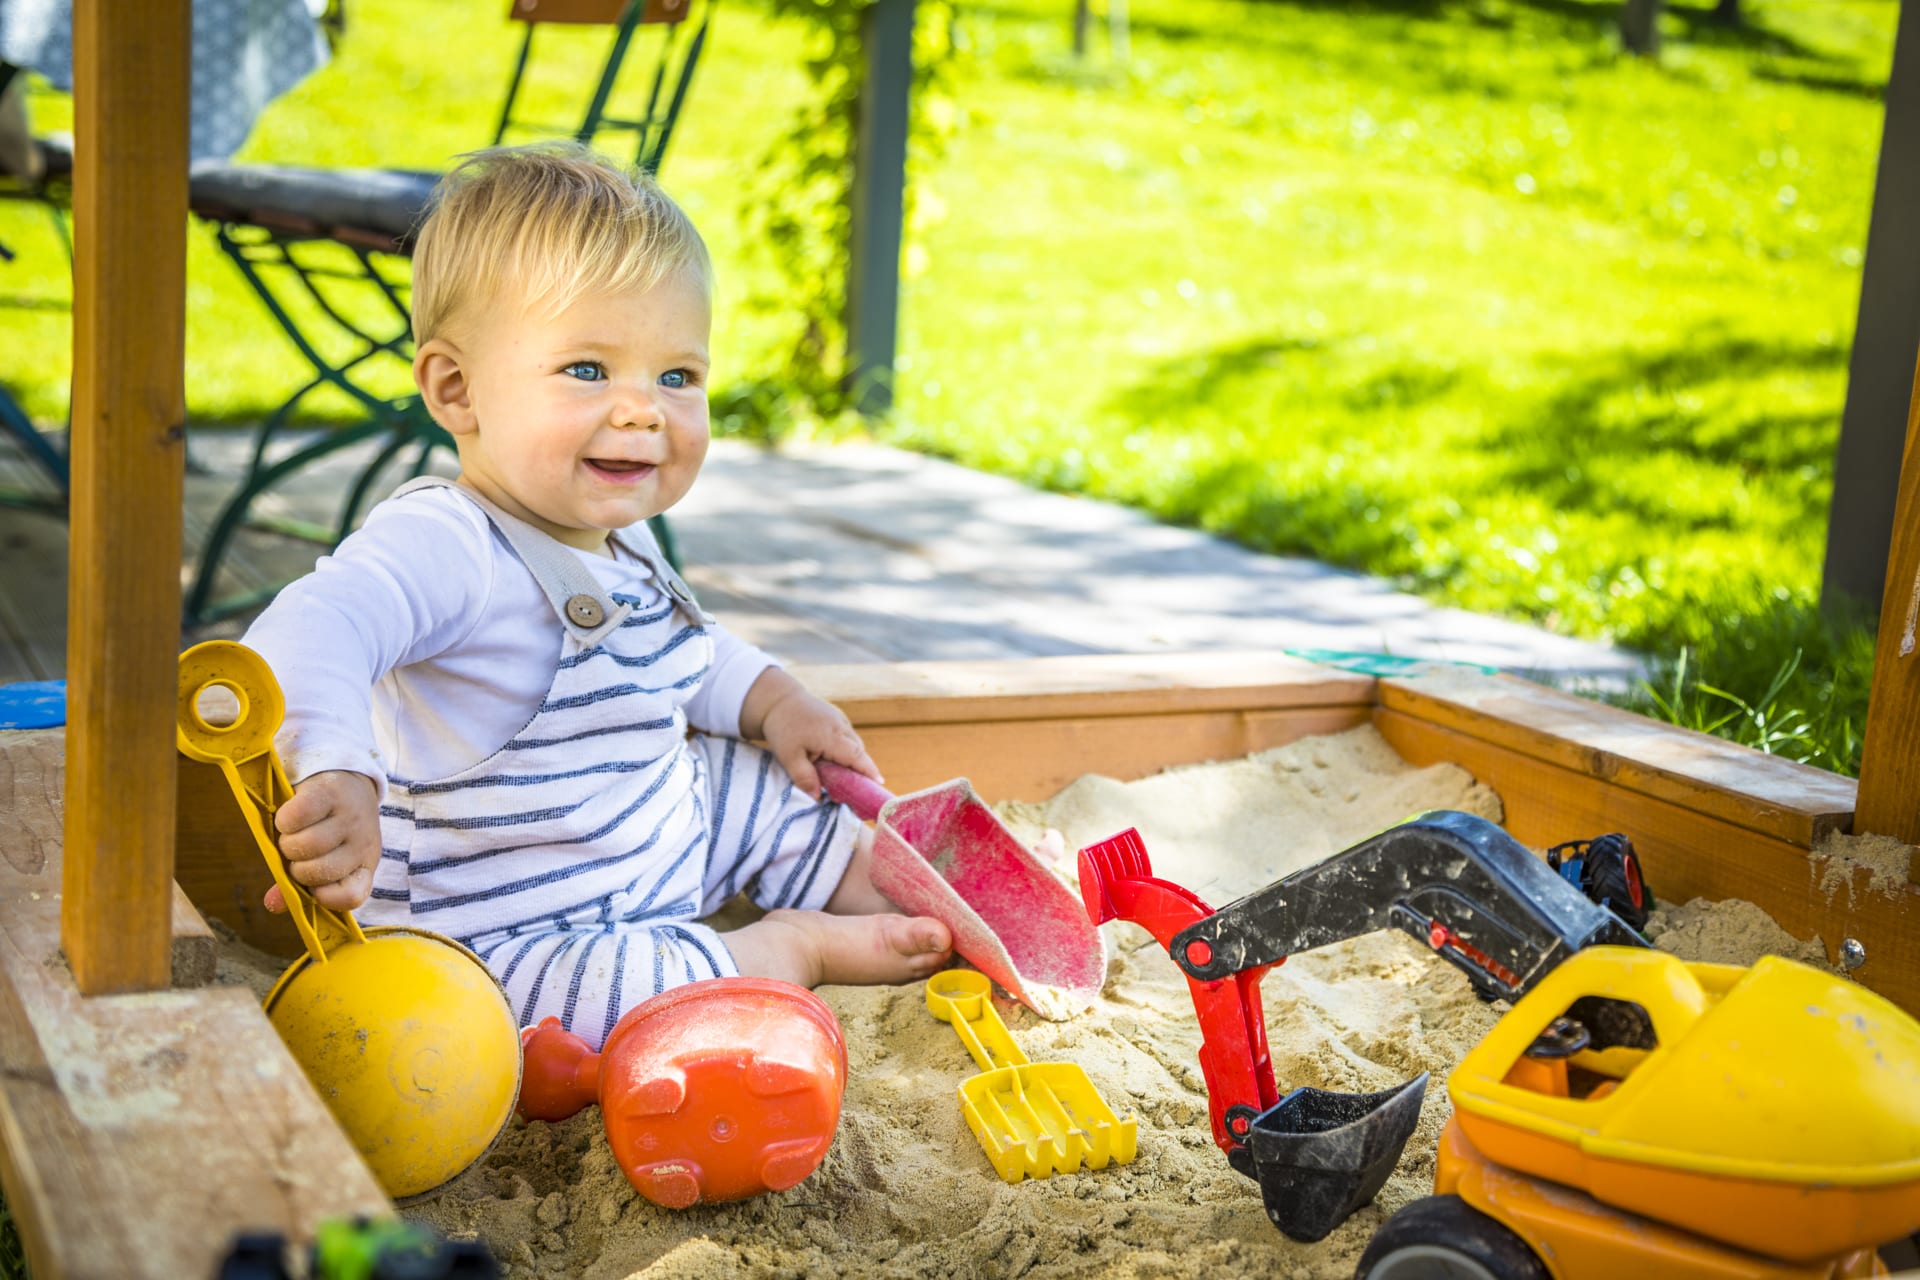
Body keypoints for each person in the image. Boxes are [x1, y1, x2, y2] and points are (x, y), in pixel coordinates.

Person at [241, 142, 955, 1049]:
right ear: (456, 390)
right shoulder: (450, 544)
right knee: (585, 999)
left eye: (676, 377)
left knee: (762, 786)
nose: (642, 409)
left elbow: (678, 653)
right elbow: (311, 627)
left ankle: (892, 879)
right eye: (588, 370)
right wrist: (336, 767)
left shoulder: (616, 533)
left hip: (640, 846)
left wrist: (775, 701)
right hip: (505, 928)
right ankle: (788, 948)